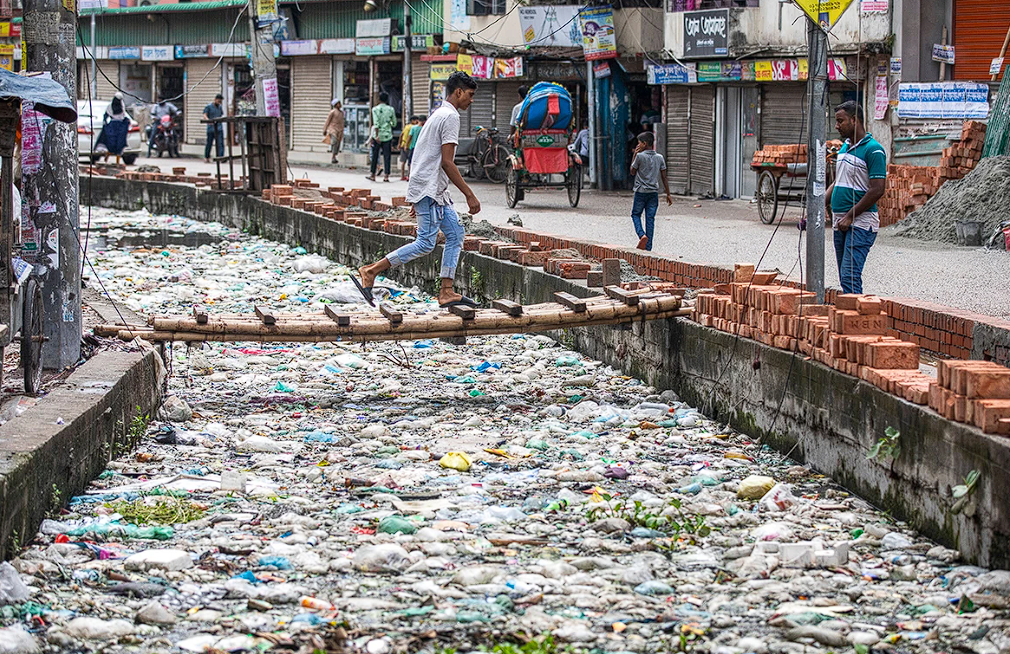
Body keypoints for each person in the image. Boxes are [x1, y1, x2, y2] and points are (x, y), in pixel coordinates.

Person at [352, 71, 481, 309]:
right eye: (470, 95)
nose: (471, 100)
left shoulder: (438, 114)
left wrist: (417, 194)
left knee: (455, 234)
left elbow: (425, 155)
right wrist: (469, 194)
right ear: (459, 92)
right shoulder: (450, 117)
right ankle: (371, 271)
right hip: (430, 191)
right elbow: (447, 162)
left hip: (432, 191)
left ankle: (446, 291)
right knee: (425, 243)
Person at [826, 100, 886, 294]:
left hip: (860, 222)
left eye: (840, 121)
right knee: (845, 277)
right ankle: (850, 317)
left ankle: (855, 319)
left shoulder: (874, 150)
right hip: (840, 221)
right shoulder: (844, 148)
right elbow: (837, 182)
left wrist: (851, 215)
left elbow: (877, 190)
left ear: (854, 120)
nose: (837, 126)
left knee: (850, 275)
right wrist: (818, 207)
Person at [629, 131, 672, 251]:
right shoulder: (659, 157)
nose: (638, 146)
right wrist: (668, 194)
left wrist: (634, 155)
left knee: (635, 214)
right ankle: (648, 248)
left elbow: (632, 171)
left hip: (640, 192)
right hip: (653, 193)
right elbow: (664, 177)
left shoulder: (639, 156)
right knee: (650, 218)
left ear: (645, 143)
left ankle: (641, 235)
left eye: (639, 143)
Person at [368, 92, 396, 182]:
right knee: (387, 156)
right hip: (388, 135)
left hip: (378, 136)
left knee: (375, 155)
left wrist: (376, 136)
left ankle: (373, 175)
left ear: (379, 99)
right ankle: (386, 176)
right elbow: (394, 123)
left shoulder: (375, 109)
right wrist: (389, 124)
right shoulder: (391, 109)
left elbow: (376, 123)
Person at [97, 92, 130, 165]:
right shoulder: (110, 106)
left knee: (119, 143)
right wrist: (105, 123)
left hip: (119, 126)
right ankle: (107, 157)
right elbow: (106, 115)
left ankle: (117, 160)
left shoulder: (122, 105)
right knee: (110, 142)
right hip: (113, 126)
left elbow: (123, 115)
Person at [203, 93, 225, 163]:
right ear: (215, 100)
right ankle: (206, 156)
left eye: (220, 102)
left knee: (220, 143)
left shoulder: (220, 107)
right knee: (209, 143)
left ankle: (220, 157)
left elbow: (221, 114)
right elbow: (205, 115)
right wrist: (208, 120)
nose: (219, 103)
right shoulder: (208, 107)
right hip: (211, 128)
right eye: (218, 101)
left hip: (219, 128)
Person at [323, 99, 344, 164]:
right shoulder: (332, 112)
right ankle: (333, 156)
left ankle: (335, 156)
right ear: (335, 105)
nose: (340, 104)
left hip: (339, 130)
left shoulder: (341, 113)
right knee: (334, 142)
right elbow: (327, 121)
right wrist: (325, 129)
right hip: (333, 129)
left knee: (338, 143)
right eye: (338, 103)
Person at [398, 115, 419, 181]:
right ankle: (409, 175)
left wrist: (399, 143)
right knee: (410, 161)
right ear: (412, 121)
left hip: (403, 144)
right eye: (416, 120)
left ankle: (402, 175)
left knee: (403, 161)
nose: (417, 122)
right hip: (409, 146)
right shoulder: (413, 127)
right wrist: (406, 145)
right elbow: (410, 137)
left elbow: (401, 135)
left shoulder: (406, 126)